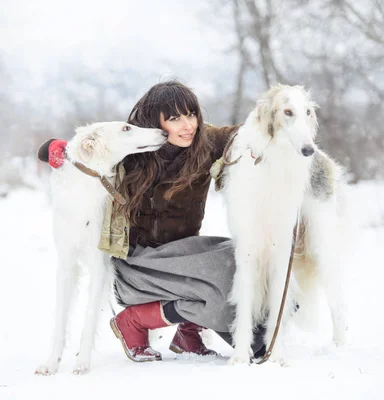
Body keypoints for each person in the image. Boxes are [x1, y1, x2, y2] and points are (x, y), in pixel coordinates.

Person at [44, 80, 265, 362]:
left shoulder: (205, 143)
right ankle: (132, 321)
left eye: (191, 115)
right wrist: (55, 148)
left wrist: (273, 118)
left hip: (183, 257)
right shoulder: (133, 151)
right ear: (155, 121)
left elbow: (243, 135)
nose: (188, 125)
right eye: (174, 118)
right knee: (218, 275)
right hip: (137, 265)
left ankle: (189, 332)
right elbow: (92, 149)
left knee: (245, 258)